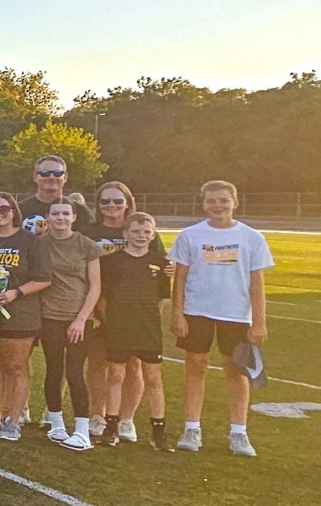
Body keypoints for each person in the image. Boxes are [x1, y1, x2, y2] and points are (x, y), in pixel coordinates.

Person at [170, 180, 272, 456]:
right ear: (203, 204)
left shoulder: (251, 237)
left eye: (223, 200)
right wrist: (177, 314)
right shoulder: (189, 235)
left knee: (236, 370)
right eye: (211, 201)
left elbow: (256, 282)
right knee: (195, 366)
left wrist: (259, 321)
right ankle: (192, 428)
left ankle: (239, 433)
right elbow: (179, 279)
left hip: (236, 314)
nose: (218, 206)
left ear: (235, 202)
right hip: (197, 311)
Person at [82, 181, 161, 444]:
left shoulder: (142, 228)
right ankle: (98, 414)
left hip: (133, 312)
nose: (112, 206)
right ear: (98, 205)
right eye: (105, 201)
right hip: (98, 305)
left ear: (128, 202)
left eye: (118, 201)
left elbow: (160, 266)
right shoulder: (89, 231)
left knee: (134, 365)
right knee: (98, 362)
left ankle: (126, 418)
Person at [0, 192, 49, 440]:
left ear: (14, 211)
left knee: (16, 367)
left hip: (20, 314)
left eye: (4, 208)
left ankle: (14, 421)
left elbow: (44, 279)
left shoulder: (31, 241)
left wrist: (16, 293)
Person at [36, 199, 105, 450]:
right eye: (56, 213)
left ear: (74, 216)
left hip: (78, 318)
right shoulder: (40, 244)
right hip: (49, 317)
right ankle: (56, 424)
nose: (61, 218)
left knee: (75, 373)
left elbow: (95, 286)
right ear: (48, 216)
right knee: (53, 369)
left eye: (66, 213)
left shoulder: (86, 245)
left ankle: (82, 431)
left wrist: (81, 318)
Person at [100, 212, 172, 450]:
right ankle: (111, 426)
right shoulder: (111, 262)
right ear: (125, 234)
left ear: (152, 235)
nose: (141, 236)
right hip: (119, 327)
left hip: (148, 329)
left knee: (152, 377)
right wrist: (108, 321)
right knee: (116, 376)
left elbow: (161, 298)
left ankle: (158, 431)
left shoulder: (160, 264)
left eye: (146, 232)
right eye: (135, 232)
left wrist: (150, 321)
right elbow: (103, 296)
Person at [19, 154, 92, 235]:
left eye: (57, 173)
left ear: (65, 177)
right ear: (35, 177)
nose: (51, 177)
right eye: (44, 173)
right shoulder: (19, 210)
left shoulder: (81, 211)